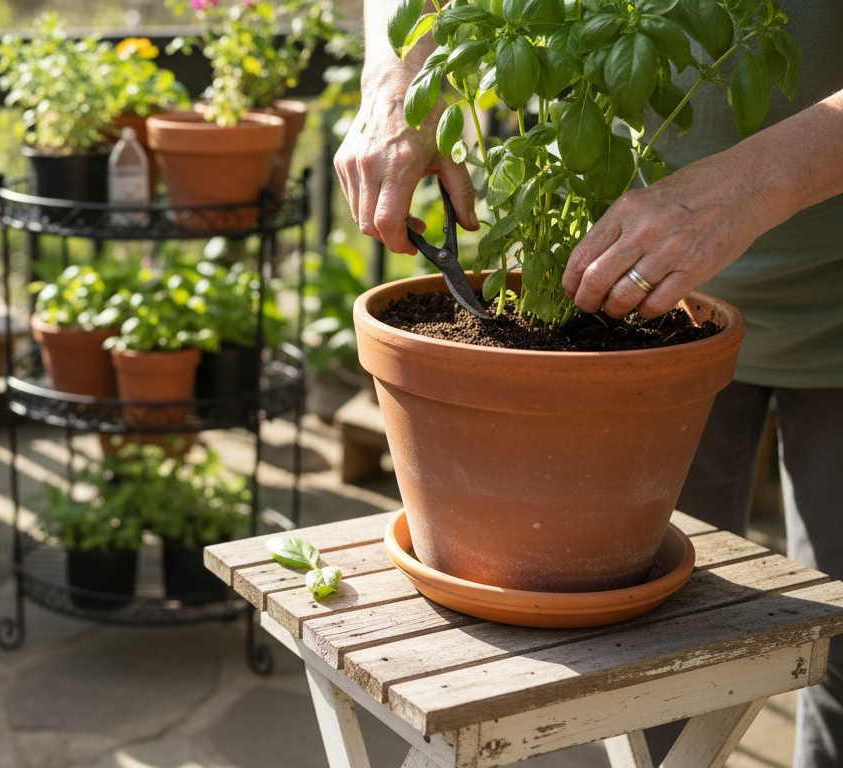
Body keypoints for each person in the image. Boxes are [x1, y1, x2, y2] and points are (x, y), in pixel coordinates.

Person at [333, 2, 843, 767]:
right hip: (633, 295)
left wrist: (748, 185)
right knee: (661, 663)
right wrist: (398, 72)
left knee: (838, 646)